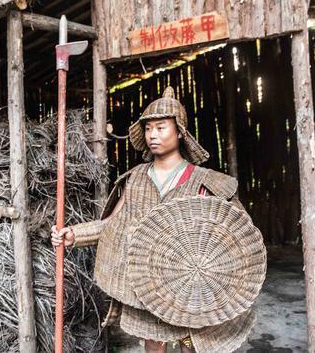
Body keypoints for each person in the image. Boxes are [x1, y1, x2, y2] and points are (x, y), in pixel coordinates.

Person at [51, 87, 251, 353]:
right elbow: (113, 224)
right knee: (153, 344)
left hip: (189, 285)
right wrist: (74, 235)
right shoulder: (136, 178)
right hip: (145, 284)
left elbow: (237, 235)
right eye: (148, 129)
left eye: (161, 127)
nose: (152, 135)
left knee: (191, 345)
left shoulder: (205, 182)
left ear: (180, 132)